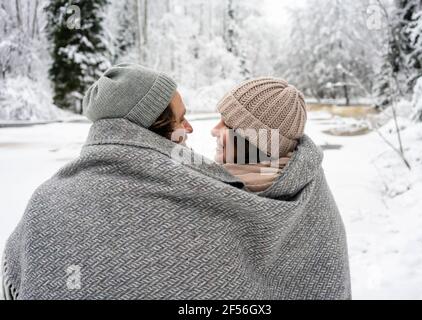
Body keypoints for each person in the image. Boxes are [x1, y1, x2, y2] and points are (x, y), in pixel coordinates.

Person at [2, 64, 351, 300]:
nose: (207, 130)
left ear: (256, 141)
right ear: (149, 129)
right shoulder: (191, 190)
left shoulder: (204, 191)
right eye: (182, 118)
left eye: (228, 125)